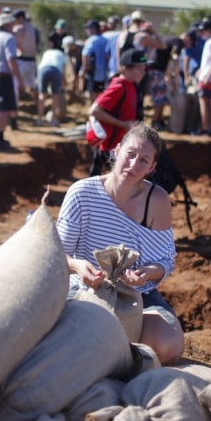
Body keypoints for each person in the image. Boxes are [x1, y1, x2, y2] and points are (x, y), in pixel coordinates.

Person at [57, 124, 183, 365]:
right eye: (131, 154)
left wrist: (146, 274)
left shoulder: (157, 200)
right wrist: (78, 266)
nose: (134, 164)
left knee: (167, 346)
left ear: (152, 167)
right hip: (87, 288)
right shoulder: (82, 193)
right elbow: (57, 253)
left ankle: (120, 355)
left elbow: (166, 260)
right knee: (74, 336)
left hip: (138, 294)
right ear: (116, 151)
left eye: (144, 160)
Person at [88, 48, 148, 176]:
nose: (143, 72)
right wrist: (123, 124)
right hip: (111, 147)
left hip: (120, 145)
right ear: (126, 69)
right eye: (139, 69)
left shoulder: (131, 85)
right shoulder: (119, 86)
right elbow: (94, 110)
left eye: (144, 68)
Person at [0, 12, 24, 150]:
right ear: (7, 24)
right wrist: (19, 79)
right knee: (4, 108)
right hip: (2, 75)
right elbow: (11, 60)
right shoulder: (8, 38)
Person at [194, 20, 211, 136]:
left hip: (209, 78)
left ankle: (205, 129)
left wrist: (206, 78)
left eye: (203, 31)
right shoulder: (210, 41)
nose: (201, 33)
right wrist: (201, 71)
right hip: (209, 77)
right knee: (210, 103)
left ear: (208, 31)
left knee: (205, 103)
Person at [13, 10, 40, 118]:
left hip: (23, 59)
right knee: (33, 86)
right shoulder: (33, 28)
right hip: (32, 59)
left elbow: (16, 43)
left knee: (18, 85)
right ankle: (39, 109)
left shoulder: (18, 29)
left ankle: (15, 112)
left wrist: (20, 49)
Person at [36, 44, 68, 126]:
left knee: (42, 94)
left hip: (42, 69)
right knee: (56, 96)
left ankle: (39, 119)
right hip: (56, 70)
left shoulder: (47, 52)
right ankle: (54, 120)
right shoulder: (62, 55)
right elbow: (63, 73)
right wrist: (64, 84)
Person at [81, 19, 108, 103]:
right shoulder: (105, 40)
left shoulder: (91, 40)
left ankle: (94, 112)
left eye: (88, 28)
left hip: (93, 72)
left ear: (94, 29)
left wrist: (84, 68)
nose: (86, 30)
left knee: (92, 93)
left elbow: (85, 54)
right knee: (100, 92)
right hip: (103, 73)